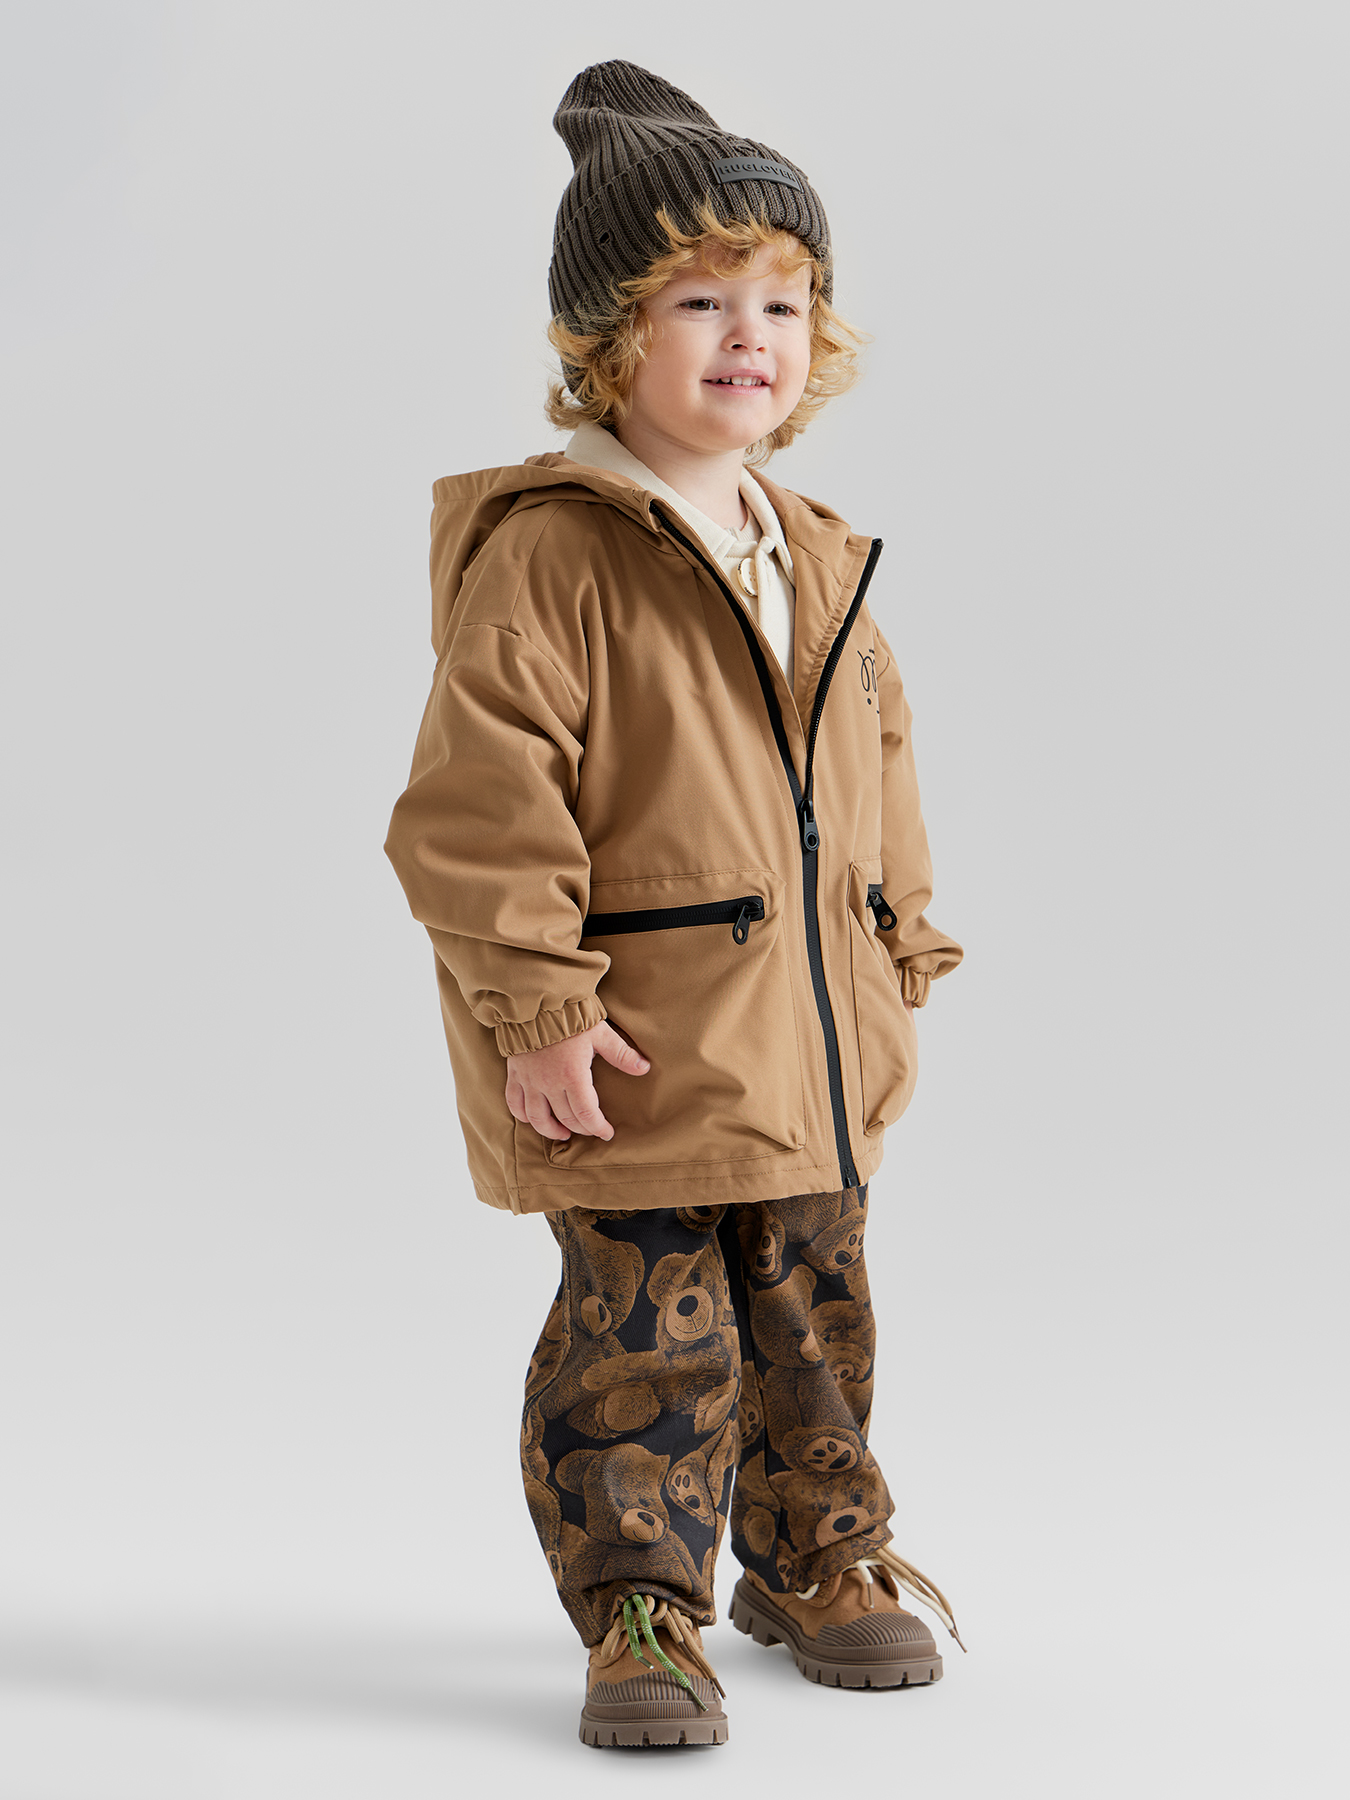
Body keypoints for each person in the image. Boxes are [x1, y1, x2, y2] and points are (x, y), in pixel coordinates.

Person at [384, 59, 965, 1749]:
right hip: (634, 1047)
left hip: (810, 1038)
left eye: (779, 302)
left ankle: (816, 1556)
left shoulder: (815, 553)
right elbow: (475, 812)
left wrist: (899, 939)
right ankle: (639, 1600)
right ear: (606, 337)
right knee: (645, 1335)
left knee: (814, 1312)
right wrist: (537, 1010)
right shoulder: (555, 553)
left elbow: (876, 763)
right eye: (698, 301)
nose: (746, 337)